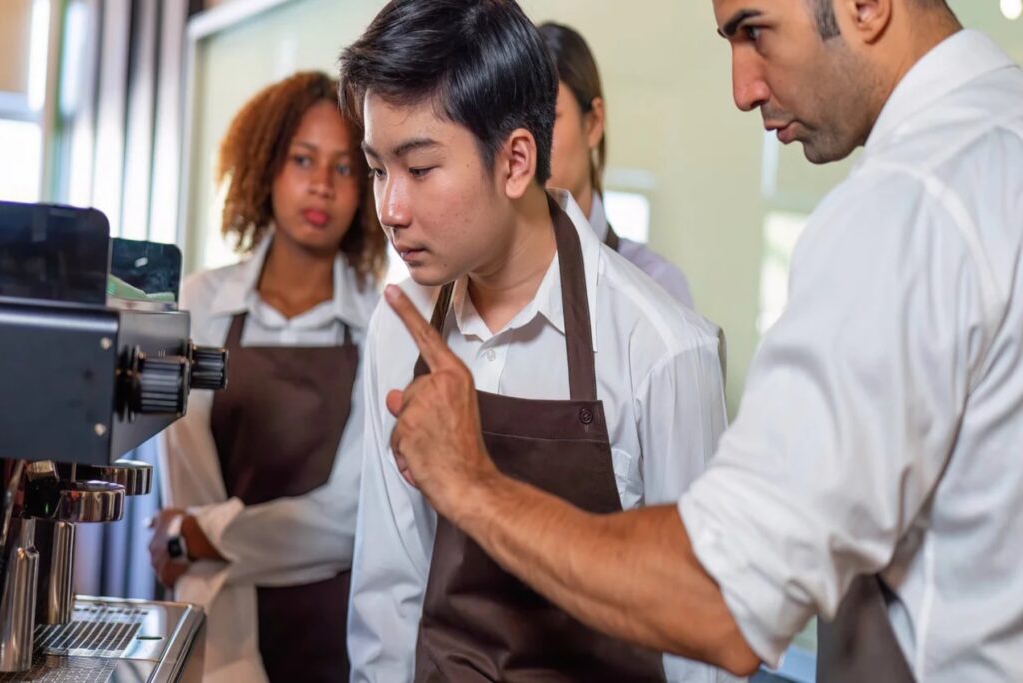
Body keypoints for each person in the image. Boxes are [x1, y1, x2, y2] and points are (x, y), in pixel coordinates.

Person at [381, 0, 1023, 681]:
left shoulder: (907, 207)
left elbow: (722, 595)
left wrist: (472, 484)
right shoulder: (997, 142)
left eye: (755, 31)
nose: (741, 89)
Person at [339, 1, 735, 681]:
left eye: (421, 168)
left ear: (516, 160)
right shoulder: (397, 326)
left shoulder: (664, 349)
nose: (391, 209)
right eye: (378, 169)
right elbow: (388, 594)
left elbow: (701, 643)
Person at [149, 71, 386, 683]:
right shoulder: (199, 302)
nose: (321, 185)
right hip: (207, 618)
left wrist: (199, 537)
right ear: (266, 168)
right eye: (302, 159)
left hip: (324, 629)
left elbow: (347, 521)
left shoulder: (379, 324)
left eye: (344, 168)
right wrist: (195, 537)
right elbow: (180, 466)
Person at [540, 21, 695, 309]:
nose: (529, 142)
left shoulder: (656, 288)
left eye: (548, 119)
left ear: (594, 123)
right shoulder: (483, 286)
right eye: (517, 123)